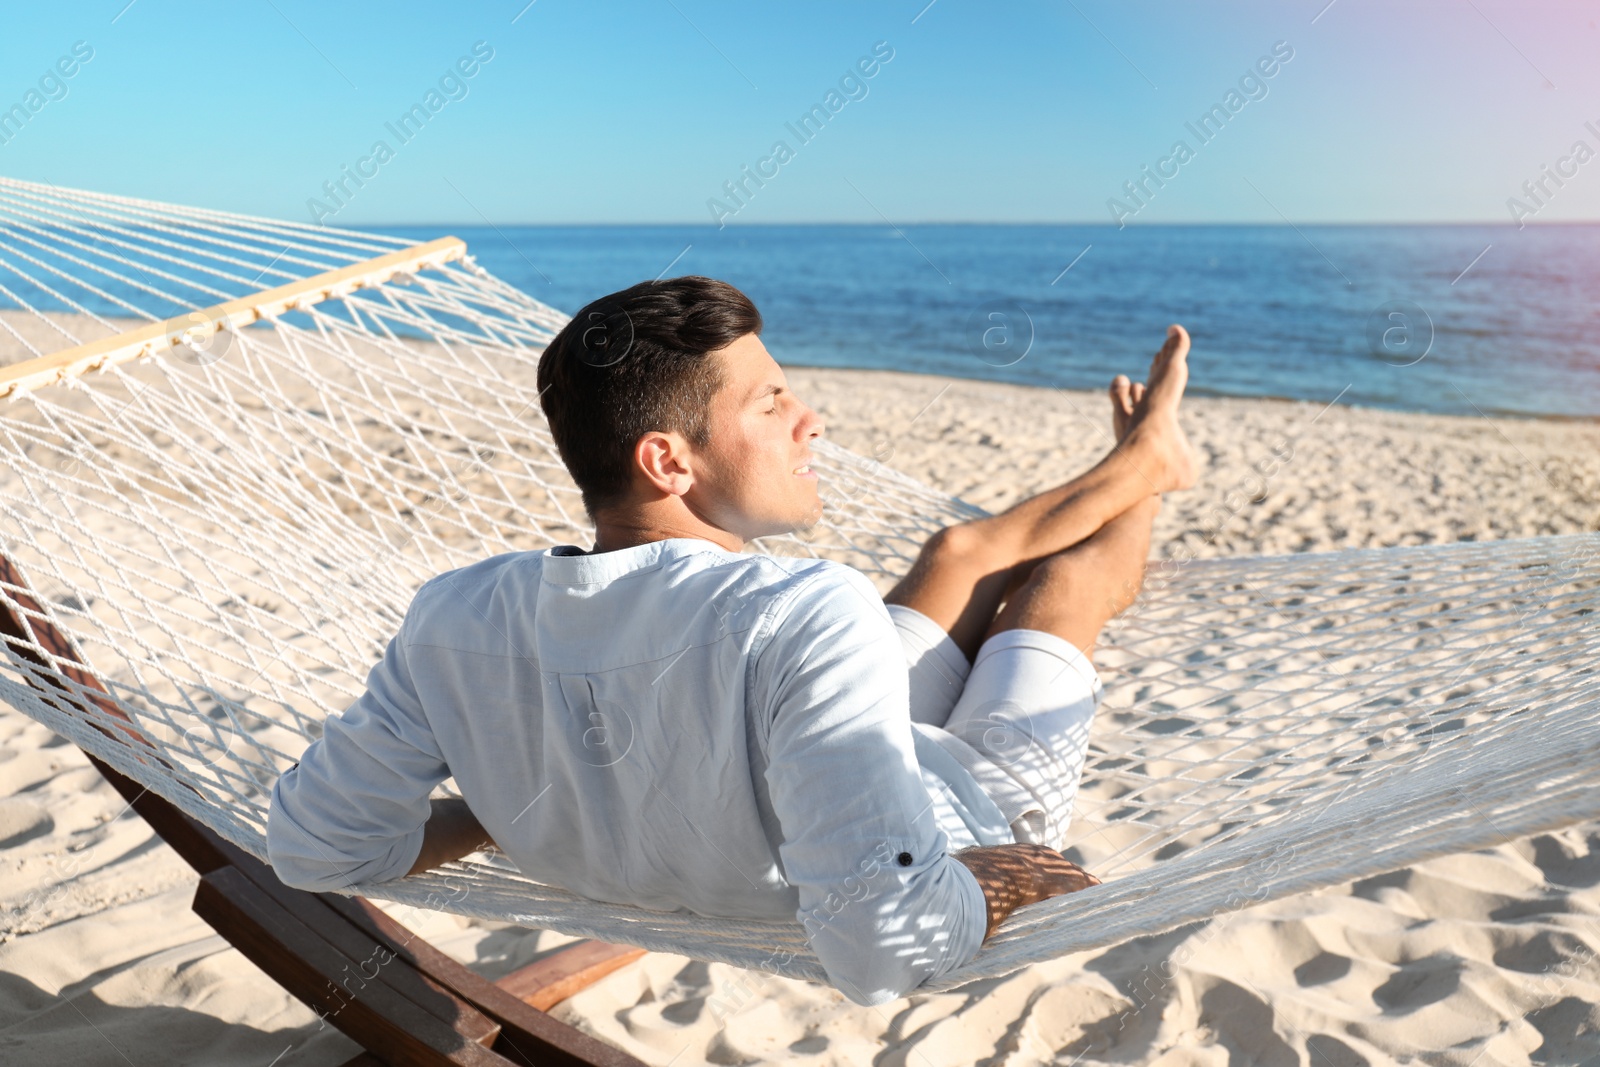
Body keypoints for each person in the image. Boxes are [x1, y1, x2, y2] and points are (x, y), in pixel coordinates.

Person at [266, 276, 1198, 1006]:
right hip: (970, 817)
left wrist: (504, 803)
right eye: (772, 403)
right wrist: (1006, 872)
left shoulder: (457, 614)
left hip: (817, 737)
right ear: (669, 460)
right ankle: (1153, 478)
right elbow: (886, 947)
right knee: (1064, 588)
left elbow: (315, 849)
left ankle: (1138, 458)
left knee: (956, 551)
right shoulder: (804, 606)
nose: (811, 420)